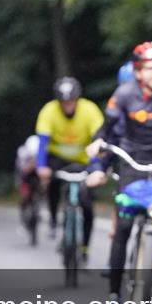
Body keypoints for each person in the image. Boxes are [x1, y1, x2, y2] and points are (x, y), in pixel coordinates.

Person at [85, 41, 152, 304]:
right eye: (149, 68)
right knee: (123, 227)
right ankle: (113, 295)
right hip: (133, 158)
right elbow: (106, 131)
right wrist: (97, 152)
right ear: (138, 72)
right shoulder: (124, 94)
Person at [35, 77, 104, 263]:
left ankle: (85, 247)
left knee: (87, 203)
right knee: (52, 185)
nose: (67, 106)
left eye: (71, 101)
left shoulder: (89, 110)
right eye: (63, 102)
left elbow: (98, 139)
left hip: (84, 159)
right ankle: (53, 220)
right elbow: (42, 142)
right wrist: (41, 167)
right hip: (58, 159)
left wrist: (98, 167)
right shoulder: (49, 111)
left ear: (77, 99)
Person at [15, 134, 41, 212]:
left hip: (36, 174)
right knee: (25, 193)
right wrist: (32, 164)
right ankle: (24, 203)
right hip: (24, 176)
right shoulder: (22, 152)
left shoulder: (43, 151)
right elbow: (23, 169)